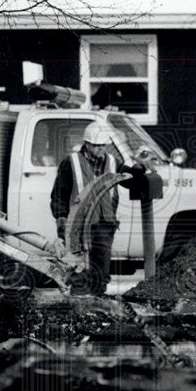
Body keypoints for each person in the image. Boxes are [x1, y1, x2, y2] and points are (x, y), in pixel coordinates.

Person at [49, 121, 119, 295]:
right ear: (87, 145)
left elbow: (127, 176)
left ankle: (98, 300)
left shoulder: (112, 161)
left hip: (104, 223)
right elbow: (59, 194)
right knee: (77, 267)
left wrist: (138, 171)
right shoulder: (71, 162)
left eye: (104, 146)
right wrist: (61, 218)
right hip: (77, 224)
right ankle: (77, 301)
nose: (101, 149)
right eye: (97, 146)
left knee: (101, 268)